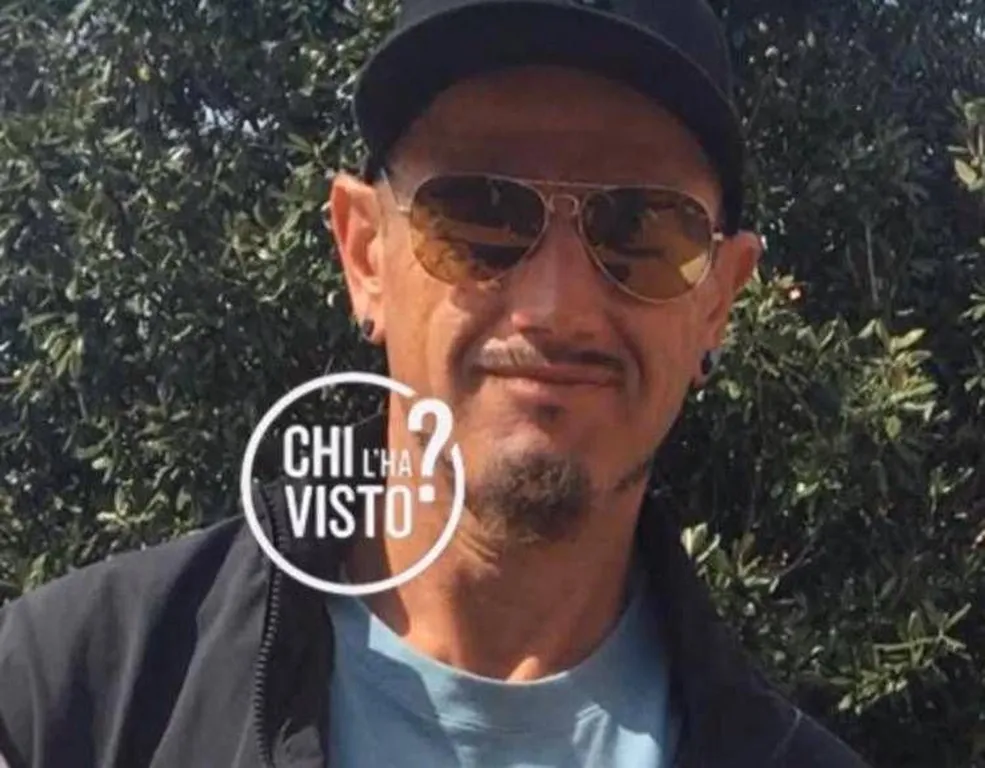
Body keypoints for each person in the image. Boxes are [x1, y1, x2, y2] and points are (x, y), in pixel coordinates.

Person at [0, 0, 873, 766]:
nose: (556, 308)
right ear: (364, 255)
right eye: (480, 214)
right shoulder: (67, 700)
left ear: (717, 300)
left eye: (642, 229)